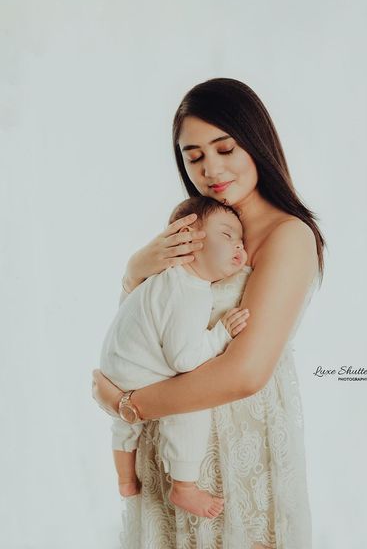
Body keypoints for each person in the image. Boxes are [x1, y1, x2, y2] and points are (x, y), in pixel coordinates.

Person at [92, 77, 326, 549]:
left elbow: (245, 373)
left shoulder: (287, 236)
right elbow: (144, 324)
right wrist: (134, 270)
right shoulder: (196, 228)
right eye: (194, 155)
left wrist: (127, 405)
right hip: (172, 454)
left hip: (237, 454)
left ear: (256, 144)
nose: (211, 168)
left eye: (225, 148)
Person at [100, 196, 250, 519]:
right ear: (189, 239)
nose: (239, 247)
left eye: (241, 241)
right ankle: (184, 487)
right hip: (136, 371)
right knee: (189, 404)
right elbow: (184, 359)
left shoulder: (166, 277)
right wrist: (221, 333)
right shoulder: (192, 292)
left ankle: (126, 479)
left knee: (124, 427)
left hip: (117, 363)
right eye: (227, 236)